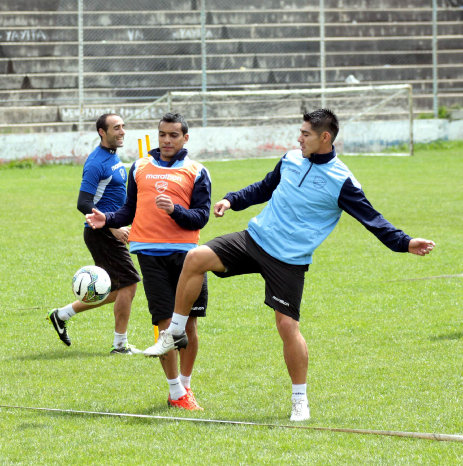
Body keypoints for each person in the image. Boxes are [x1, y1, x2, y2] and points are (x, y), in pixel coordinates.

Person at [140, 108, 435, 422]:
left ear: (325, 137)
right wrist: (232, 200)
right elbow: (265, 187)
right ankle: (174, 332)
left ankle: (299, 400)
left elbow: (373, 221)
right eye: (300, 131)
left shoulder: (342, 181)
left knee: (287, 326)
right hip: (255, 239)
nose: (300, 137)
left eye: (306, 133)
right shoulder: (291, 159)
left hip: (288, 260)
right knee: (196, 258)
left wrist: (404, 242)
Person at [86, 112, 212, 410]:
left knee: (189, 326)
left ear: (185, 138)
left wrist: (175, 211)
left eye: (173, 135)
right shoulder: (139, 167)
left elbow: (201, 217)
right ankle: (176, 392)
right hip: (149, 255)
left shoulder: (197, 171)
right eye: (162, 135)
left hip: (188, 258)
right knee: (165, 325)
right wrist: (108, 219)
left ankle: (186, 384)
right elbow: (129, 211)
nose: (166, 140)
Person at [47, 113, 141, 354]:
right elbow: (83, 202)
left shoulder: (112, 155)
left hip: (110, 230)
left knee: (115, 289)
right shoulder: (96, 163)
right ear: (102, 132)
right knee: (129, 285)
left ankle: (62, 314)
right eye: (116, 128)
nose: (122, 131)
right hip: (102, 233)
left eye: (123, 127)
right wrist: (112, 226)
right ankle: (120, 346)